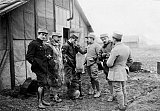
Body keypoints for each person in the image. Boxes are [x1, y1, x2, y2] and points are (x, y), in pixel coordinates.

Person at [107, 32, 133, 111]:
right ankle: (125, 103)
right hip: (123, 71)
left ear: (114, 39)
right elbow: (131, 60)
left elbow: (109, 64)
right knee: (123, 88)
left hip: (116, 72)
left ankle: (121, 107)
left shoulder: (115, 49)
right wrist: (125, 66)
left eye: (113, 39)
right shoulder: (127, 48)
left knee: (118, 89)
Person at [26, 28, 51, 109]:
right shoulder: (33, 44)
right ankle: (39, 102)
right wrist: (36, 64)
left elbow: (41, 56)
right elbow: (29, 57)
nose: (44, 36)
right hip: (38, 68)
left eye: (45, 35)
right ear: (38, 34)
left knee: (43, 84)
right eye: (42, 34)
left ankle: (42, 100)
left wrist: (47, 57)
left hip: (44, 67)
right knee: (41, 83)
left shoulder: (42, 44)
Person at [62, 34, 87, 100]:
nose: (75, 42)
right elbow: (64, 56)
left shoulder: (74, 46)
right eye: (74, 40)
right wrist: (69, 63)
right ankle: (69, 94)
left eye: (76, 41)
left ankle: (76, 93)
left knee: (75, 79)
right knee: (68, 79)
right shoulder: (65, 45)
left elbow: (82, 52)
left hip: (73, 65)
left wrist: (79, 47)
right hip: (68, 65)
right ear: (71, 38)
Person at [45, 32, 63, 103]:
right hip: (52, 67)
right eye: (57, 37)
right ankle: (55, 96)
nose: (59, 38)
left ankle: (54, 94)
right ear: (53, 37)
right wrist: (53, 63)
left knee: (58, 80)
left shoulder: (57, 45)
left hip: (58, 66)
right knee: (54, 80)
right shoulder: (48, 45)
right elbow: (48, 57)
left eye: (59, 37)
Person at [98, 33, 114, 101]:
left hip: (113, 65)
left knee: (116, 80)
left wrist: (108, 54)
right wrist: (102, 55)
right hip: (106, 67)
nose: (103, 40)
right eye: (102, 39)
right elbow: (99, 56)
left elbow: (116, 52)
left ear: (108, 38)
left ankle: (118, 95)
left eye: (104, 39)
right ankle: (112, 95)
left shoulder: (113, 44)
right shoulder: (102, 47)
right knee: (109, 81)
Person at [86, 33, 101, 98]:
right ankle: (93, 89)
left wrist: (95, 60)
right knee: (91, 77)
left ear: (92, 39)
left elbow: (99, 55)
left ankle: (98, 91)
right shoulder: (88, 45)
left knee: (95, 77)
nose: (87, 40)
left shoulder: (96, 45)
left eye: (88, 38)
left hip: (93, 64)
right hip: (88, 64)